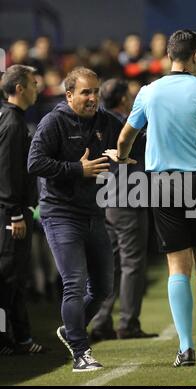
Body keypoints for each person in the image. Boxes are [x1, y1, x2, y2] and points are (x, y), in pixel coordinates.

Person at [104, 30, 196, 367]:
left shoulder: (148, 91)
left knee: (177, 267)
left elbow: (126, 136)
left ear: (170, 55)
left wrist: (123, 157)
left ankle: (185, 348)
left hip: (162, 184)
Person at [27, 67, 123, 372]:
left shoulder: (105, 121)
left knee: (104, 288)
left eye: (95, 91)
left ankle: (71, 330)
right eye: (86, 92)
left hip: (94, 212)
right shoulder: (53, 122)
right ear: (69, 95)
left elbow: (123, 143)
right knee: (74, 284)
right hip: (60, 214)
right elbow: (35, 163)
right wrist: (75, 169)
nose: (93, 97)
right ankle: (81, 352)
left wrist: (122, 156)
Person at [91, 79, 157, 341]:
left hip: (105, 199)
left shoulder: (98, 122)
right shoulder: (127, 123)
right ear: (123, 99)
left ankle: (100, 321)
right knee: (132, 263)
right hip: (128, 198)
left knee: (111, 263)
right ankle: (128, 323)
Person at [0, 64, 46, 355]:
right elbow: (5, 172)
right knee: (7, 276)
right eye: (32, 83)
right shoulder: (12, 123)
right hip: (10, 215)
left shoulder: (11, 119)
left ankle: (20, 339)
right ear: (19, 88)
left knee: (14, 277)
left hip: (12, 211)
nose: (37, 88)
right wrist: (15, 213)